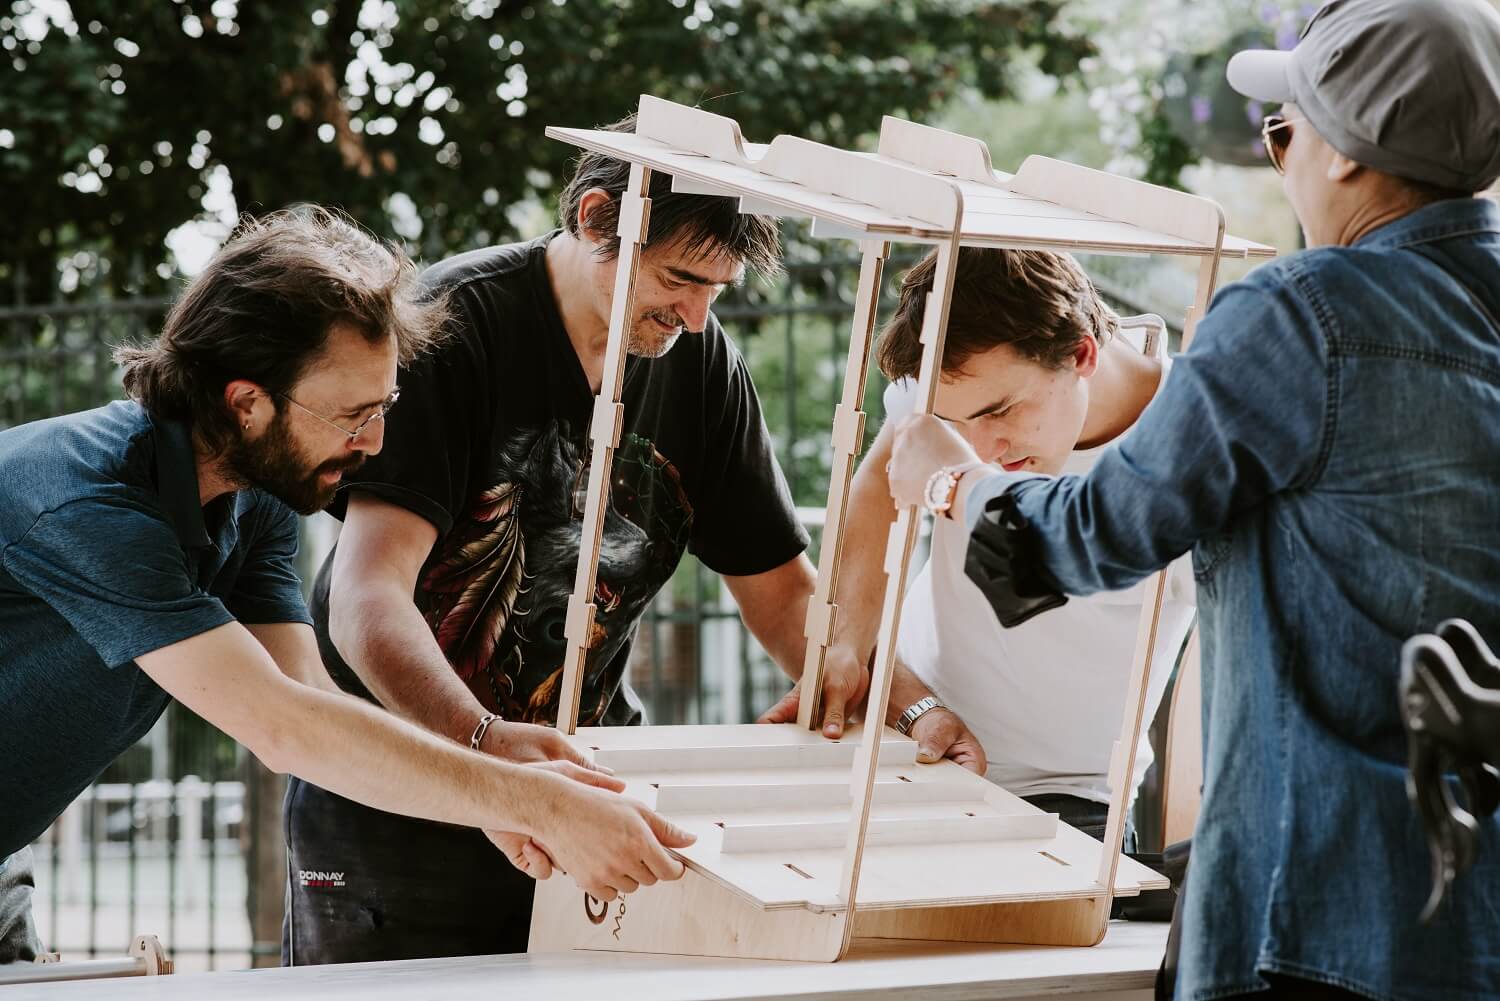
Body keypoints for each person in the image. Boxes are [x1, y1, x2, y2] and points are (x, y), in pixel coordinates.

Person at [888, 1, 1500, 997]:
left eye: (1282, 129)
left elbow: (1094, 536)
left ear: (1344, 151)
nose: (1279, 157)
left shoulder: (1300, 311)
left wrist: (952, 480)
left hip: (1317, 910)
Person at [0, 207, 695, 966]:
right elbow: (280, 727)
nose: (376, 443)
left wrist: (496, 786)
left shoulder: (256, 491)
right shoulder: (88, 503)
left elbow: (312, 702)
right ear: (246, 402)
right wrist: (543, 804)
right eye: (353, 414)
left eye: (385, 406)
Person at [285, 120, 834, 964]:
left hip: (584, 800)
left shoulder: (700, 360)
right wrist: (488, 757)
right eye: (680, 278)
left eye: (716, 290)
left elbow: (789, 595)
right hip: (400, 807)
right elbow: (365, 600)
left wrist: (900, 705)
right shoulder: (455, 323)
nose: (695, 315)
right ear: (594, 217)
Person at [764, 247, 1193, 842]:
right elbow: (885, 488)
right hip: (906, 741)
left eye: (1000, 412)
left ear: (1083, 354)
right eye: (952, 425)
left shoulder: (1193, 446)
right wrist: (851, 645)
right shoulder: (960, 371)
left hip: (1068, 799)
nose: (982, 449)